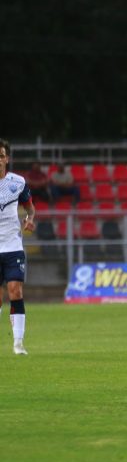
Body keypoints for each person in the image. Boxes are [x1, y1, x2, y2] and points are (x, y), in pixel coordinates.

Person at [0, 139, 35, 355]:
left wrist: (30, 220)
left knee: (15, 291)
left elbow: (30, 209)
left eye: (1, 156)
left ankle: (18, 343)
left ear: (7, 158)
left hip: (13, 246)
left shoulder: (18, 182)